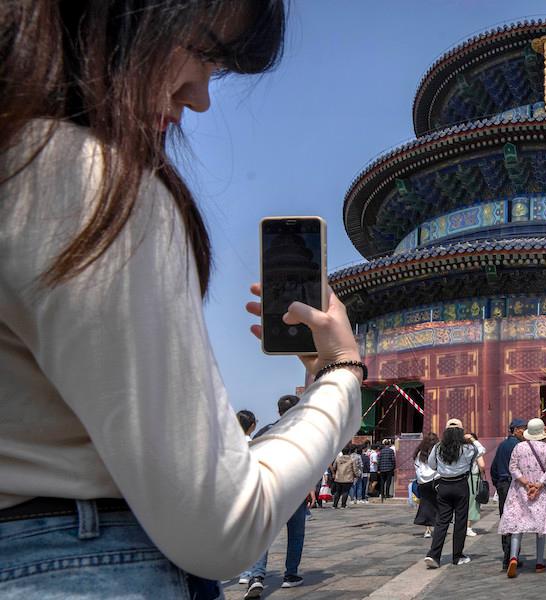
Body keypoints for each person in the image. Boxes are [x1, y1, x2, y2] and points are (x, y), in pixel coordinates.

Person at [0, 2, 366, 597]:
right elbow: (222, 528)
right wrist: (341, 378)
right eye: (199, 49)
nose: (200, 97)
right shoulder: (93, 185)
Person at [239, 396, 324, 598]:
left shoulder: (265, 431)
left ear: (278, 412)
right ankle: (291, 575)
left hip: (269, 490)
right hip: (295, 490)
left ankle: (257, 577)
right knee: (296, 535)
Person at [499, 417, 546, 578]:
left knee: (517, 526)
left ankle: (513, 557)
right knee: (540, 529)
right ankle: (539, 562)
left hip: (519, 490)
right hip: (539, 492)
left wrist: (526, 484)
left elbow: (513, 468)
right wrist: (537, 485)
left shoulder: (519, 447)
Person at [423, 419, 477, 569]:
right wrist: (471, 438)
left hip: (444, 485)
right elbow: (480, 451)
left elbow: (432, 465)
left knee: (442, 521)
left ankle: (434, 555)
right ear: (462, 432)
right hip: (460, 485)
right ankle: (457, 556)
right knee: (460, 522)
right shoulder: (468, 448)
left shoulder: (438, 447)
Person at [490, 418, 527, 566]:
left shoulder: (502, 445)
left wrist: (498, 484)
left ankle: (508, 555)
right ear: (517, 429)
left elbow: (493, 468)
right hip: (515, 485)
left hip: (503, 485)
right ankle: (512, 556)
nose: (525, 432)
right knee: (516, 520)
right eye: (524, 428)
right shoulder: (520, 446)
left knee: (506, 519)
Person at [413, 432, 440, 538]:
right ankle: (438, 527)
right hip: (436, 480)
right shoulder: (438, 451)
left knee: (425, 504)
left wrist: (420, 479)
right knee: (438, 505)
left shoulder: (420, 453)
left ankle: (427, 530)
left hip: (423, 482)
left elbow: (417, 467)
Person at [464, 431, 487, 536]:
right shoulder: (475, 451)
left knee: (463, 503)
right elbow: (482, 465)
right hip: (473, 478)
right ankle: (468, 527)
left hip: (462, 478)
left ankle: (462, 526)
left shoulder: (461, 450)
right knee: (472, 503)